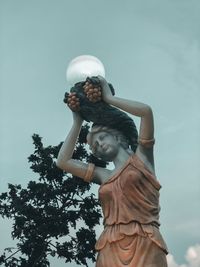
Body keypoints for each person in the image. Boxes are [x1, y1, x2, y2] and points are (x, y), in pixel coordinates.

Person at [56, 76, 168, 267]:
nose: (98, 145)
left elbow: (146, 113)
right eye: (94, 147)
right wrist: (77, 123)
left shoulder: (142, 158)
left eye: (101, 138)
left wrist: (109, 99)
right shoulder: (104, 176)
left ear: (118, 137)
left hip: (146, 239)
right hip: (110, 243)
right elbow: (63, 161)